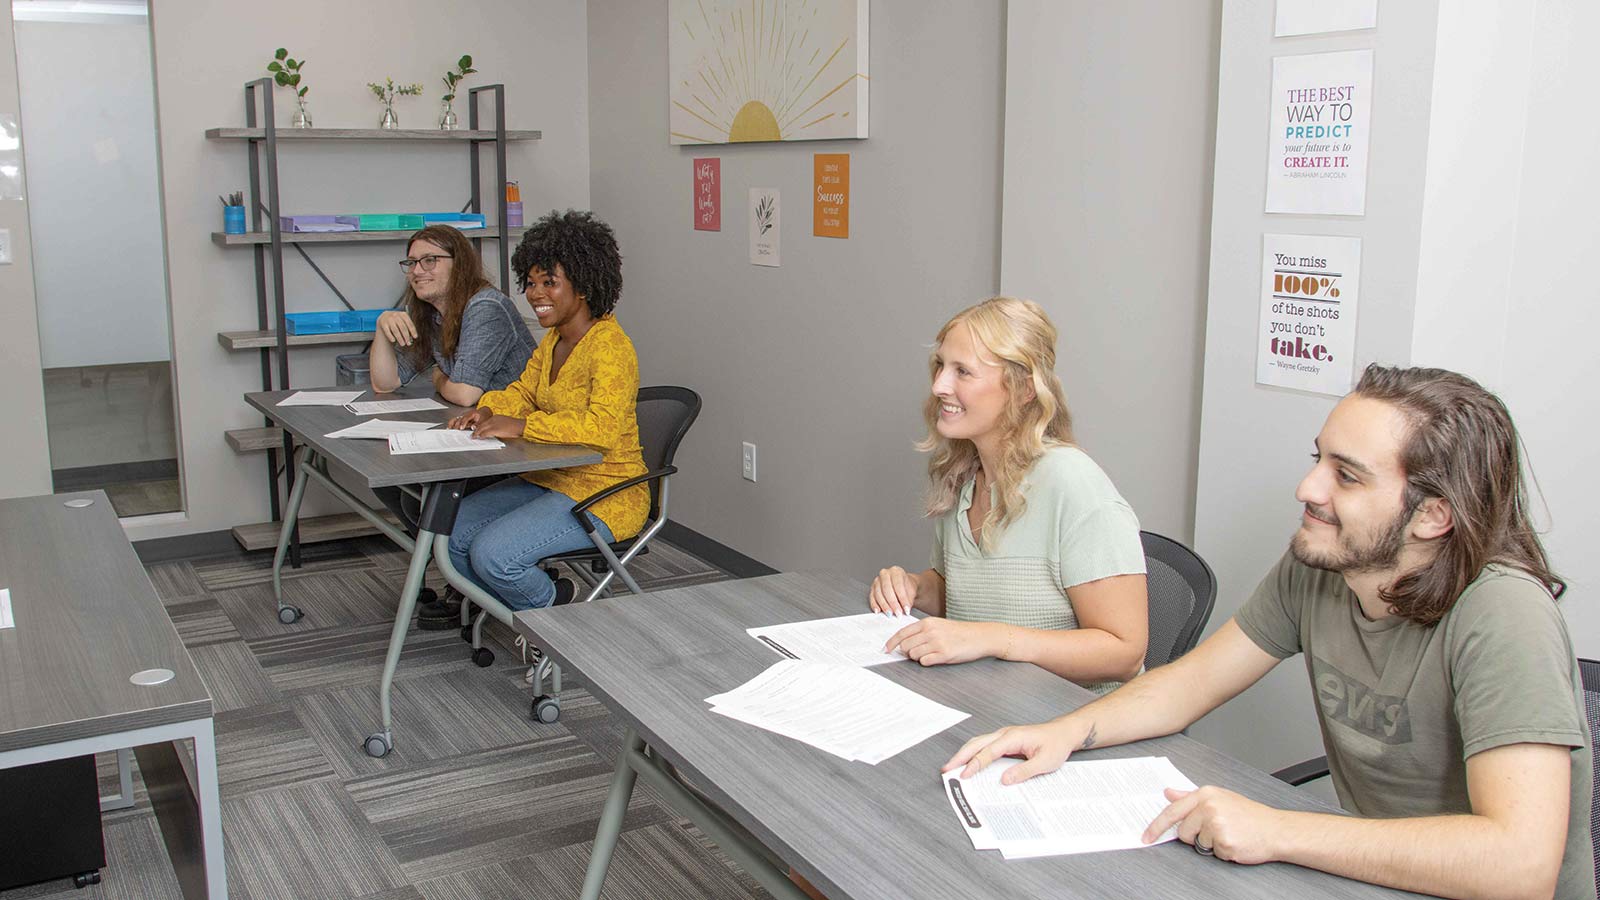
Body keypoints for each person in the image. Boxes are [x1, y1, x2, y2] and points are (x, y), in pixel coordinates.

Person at [946, 364, 1594, 900]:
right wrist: (1063, 732)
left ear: (1432, 516)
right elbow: (1190, 684)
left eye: (1347, 474)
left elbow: (1521, 865)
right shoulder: (1321, 567)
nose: (1307, 486)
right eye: (1319, 459)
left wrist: (1277, 830)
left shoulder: (1504, 615)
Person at [868, 297, 1149, 692]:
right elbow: (963, 595)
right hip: (990, 704)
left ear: (1023, 389)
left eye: (963, 371)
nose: (939, 386)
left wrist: (993, 639)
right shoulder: (966, 476)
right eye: (940, 366)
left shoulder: (1074, 484)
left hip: (1070, 725)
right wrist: (913, 586)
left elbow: (1124, 653)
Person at [444, 209, 647, 610]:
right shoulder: (554, 339)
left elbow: (601, 428)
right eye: (531, 282)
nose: (536, 294)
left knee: (493, 555)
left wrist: (520, 425)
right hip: (550, 476)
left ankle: (553, 614)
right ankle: (532, 611)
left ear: (584, 285)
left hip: (604, 490)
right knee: (450, 533)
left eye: (549, 283)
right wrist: (487, 410)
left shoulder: (610, 347)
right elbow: (524, 391)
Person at [365, 225, 534, 626]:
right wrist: (381, 330)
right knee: (395, 482)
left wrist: (438, 377)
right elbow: (384, 382)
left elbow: (464, 393)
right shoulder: (430, 316)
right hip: (473, 433)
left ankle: (466, 585)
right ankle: (461, 581)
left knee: (424, 495)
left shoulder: (485, 306)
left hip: (519, 442)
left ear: (459, 266)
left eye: (429, 261)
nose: (417, 270)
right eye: (411, 262)